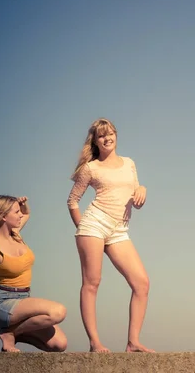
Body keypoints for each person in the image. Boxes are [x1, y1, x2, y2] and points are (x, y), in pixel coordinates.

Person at [67, 118, 153, 353]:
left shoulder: (129, 163)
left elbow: (135, 196)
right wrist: (84, 228)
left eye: (110, 133)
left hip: (119, 230)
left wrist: (142, 190)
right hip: (94, 226)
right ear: (95, 141)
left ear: (116, 135)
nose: (107, 138)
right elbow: (72, 200)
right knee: (92, 283)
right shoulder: (91, 168)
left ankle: (133, 342)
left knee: (141, 283)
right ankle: (95, 342)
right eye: (101, 135)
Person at [0, 195, 67, 353]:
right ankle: (9, 333)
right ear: (3, 216)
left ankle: (14, 334)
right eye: (16, 212)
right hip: (3, 303)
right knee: (58, 311)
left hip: (23, 300)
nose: (20, 214)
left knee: (59, 344)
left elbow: (27, 214)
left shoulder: (15, 233)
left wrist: (23, 205)